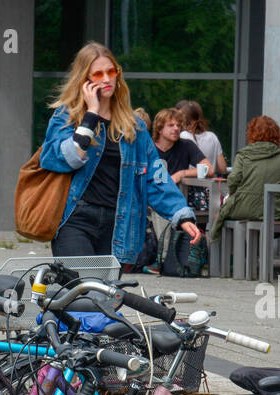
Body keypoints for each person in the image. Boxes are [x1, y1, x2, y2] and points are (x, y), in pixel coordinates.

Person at [39, 43, 201, 259]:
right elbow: (56, 160)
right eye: (98, 73)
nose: (106, 79)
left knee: (105, 291)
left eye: (111, 71)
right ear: (84, 79)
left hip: (118, 224)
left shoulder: (133, 126)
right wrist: (91, 116)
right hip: (75, 219)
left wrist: (181, 215)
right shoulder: (67, 116)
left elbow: (155, 175)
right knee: (83, 288)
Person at [210, 115, 280, 243]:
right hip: (273, 211)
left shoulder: (243, 154)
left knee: (222, 214)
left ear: (251, 134)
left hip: (241, 209)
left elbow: (233, 181)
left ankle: (235, 259)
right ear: (276, 135)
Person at [152, 107, 211, 187]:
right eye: (171, 125)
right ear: (159, 129)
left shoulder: (186, 145)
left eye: (178, 125)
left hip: (178, 197)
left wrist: (181, 174)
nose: (176, 128)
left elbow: (209, 169)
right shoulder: (148, 148)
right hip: (152, 197)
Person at [176, 99, 227, 175]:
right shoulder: (212, 136)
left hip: (188, 184)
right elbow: (223, 168)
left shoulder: (183, 136)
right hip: (209, 185)